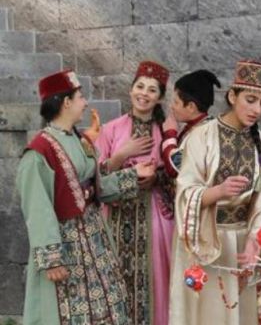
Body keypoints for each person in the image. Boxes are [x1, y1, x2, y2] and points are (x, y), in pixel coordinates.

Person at [16, 69, 156, 325]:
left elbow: (96, 186)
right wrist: (51, 259)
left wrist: (133, 175)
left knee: (108, 307)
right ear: (66, 102)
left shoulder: (78, 139)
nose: (85, 102)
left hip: (95, 238)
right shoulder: (39, 152)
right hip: (66, 245)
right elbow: (37, 208)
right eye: (80, 96)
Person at [170, 60, 261, 324]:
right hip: (205, 240)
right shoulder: (200, 137)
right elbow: (184, 191)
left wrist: (255, 241)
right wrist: (217, 192)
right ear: (232, 96)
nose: (256, 109)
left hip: (241, 244)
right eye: (250, 100)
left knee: (241, 314)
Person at [95, 60, 172, 325]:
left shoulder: (166, 131)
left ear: (160, 98)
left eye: (152, 90)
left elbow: (178, 172)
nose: (144, 94)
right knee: (115, 279)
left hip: (154, 217)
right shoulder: (111, 129)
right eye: (140, 86)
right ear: (130, 90)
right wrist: (122, 155)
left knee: (156, 278)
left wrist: (156, 178)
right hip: (116, 216)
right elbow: (94, 176)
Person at [161, 69, 222, 179]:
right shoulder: (198, 126)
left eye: (176, 102)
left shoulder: (204, 132)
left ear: (191, 107)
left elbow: (174, 168)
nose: (172, 106)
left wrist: (170, 133)